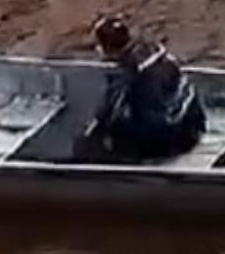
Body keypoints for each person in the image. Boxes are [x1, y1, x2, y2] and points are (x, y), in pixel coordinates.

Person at [86, 16, 206, 161]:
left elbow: (109, 111)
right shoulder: (157, 53)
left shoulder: (127, 72)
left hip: (168, 138)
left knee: (115, 129)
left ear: (106, 48)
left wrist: (94, 132)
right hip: (192, 127)